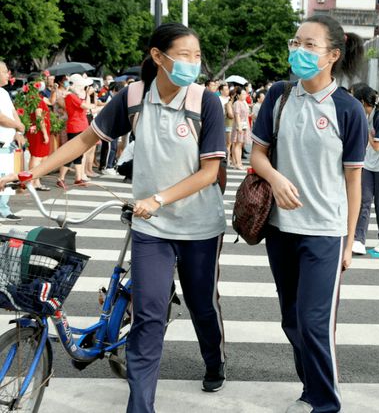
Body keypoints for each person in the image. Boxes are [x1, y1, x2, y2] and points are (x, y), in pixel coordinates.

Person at [1, 23, 228, 413]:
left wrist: (158, 198)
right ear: (158, 56)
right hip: (150, 227)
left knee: (201, 303)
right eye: (185, 55)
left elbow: (209, 172)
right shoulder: (133, 97)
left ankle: (215, 360)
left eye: (197, 55)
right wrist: (32, 172)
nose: (194, 63)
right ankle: (140, 407)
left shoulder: (205, 102)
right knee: (149, 314)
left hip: (198, 225)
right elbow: (85, 140)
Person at [250, 14, 367, 413]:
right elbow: (257, 154)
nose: (298, 51)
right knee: (292, 321)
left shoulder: (349, 109)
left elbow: (355, 182)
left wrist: (350, 242)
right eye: (295, 42)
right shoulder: (279, 96)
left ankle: (323, 402)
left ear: (333, 54)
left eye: (309, 45)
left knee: (315, 324)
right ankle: (310, 387)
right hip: (281, 229)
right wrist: (276, 179)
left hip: (325, 232)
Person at [352, 85, 379, 255]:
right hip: (369, 164)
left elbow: (377, 146)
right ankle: (359, 239)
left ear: (362, 101)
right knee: (364, 201)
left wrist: (365, 131)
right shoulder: (368, 115)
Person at [56, 74, 96, 187]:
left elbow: (85, 104)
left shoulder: (74, 95)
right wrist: (92, 104)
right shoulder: (71, 96)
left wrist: (87, 95)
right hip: (75, 126)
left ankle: (78, 178)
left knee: (79, 154)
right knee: (72, 153)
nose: (83, 88)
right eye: (82, 86)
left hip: (80, 126)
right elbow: (86, 106)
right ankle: (61, 178)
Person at [0, 61, 25, 221]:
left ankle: (4, 209)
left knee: (6, 178)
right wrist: (18, 125)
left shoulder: (3, 93)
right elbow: (1, 118)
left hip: (8, 143)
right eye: (4, 71)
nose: (7, 74)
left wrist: (18, 130)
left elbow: (12, 112)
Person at [26, 98, 51, 191]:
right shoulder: (36, 100)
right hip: (38, 131)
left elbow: (51, 101)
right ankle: (32, 182)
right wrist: (44, 133)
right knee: (37, 157)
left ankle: (36, 182)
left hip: (34, 130)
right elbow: (39, 117)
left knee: (38, 157)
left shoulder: (30, 99)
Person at [231, 86, 250, 169]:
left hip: (244, 125)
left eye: (245, 94)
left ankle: (237, 162)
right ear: (238, 95)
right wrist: (239, 127)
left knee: (240, 144)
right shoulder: (237, 103)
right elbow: (237, 115)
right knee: (237, 144)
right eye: (242, 94)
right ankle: (238, 163)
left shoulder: (244, 102)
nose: (244, 95)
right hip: (239, 126)